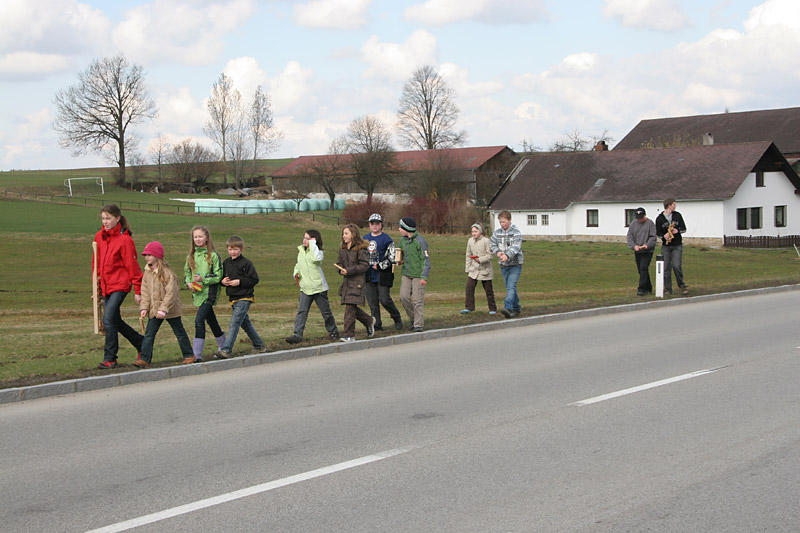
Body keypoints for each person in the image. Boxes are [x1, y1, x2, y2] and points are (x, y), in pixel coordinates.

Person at [93, 204, 144, 369]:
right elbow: (96, 265)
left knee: (108, 320)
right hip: (106, 285)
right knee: (114, 320)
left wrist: (138, 290)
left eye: (108, 218)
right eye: (103, 218)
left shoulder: (125, 239)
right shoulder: (99, 237)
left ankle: (110, 358)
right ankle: (141, 342)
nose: (105, 222)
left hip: (120, 285)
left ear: (117, 218)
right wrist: (97, 289)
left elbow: (132, 266)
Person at [136, 242, 194, 367]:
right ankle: (145, 359)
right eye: (145, 255)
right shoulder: (147, 273)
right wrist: (144, 308)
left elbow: (171, 293)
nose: (146, 257)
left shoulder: (167, 273)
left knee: (179, 332)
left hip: (170, 310)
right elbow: (145, 291)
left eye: (149, 255)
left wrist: (164, 309)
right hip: (154, 310)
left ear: (157, 256)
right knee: (149, 333)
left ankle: (189, 355)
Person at [285, 229, 340, 344]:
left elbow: (316, 259)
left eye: (308, 238)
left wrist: (313, 244)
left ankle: (333, 331)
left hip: (319, 288)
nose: (305, 240)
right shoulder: (301, 251)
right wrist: (296, 273)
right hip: (305, 288)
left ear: (314, 240)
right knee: (302, 311)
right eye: (304, 238)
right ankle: (297, 335)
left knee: (325, 312)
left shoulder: (318, 251)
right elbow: (298, 264)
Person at [215, 236, 265, 358]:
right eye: (230, 249)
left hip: (245, 298)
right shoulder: (226, 263)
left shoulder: (246, 263)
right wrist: (223, 282)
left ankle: (226, 350)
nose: (233, 252)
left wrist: (240, 281)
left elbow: (254, 279)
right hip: (233, 298)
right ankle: (259, 346)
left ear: (242, 249)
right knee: (245, 323)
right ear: (227, 249)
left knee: (234, 323)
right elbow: (220, 277)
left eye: (236, 249)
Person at [184, 226, 225, 362]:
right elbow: (187, 273)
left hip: (209, 293)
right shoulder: (191, 256)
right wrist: (189, 283)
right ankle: (223, 346)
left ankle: (197, 354)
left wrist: (204, 280)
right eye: (195, 237)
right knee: (211, 320)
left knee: (198, 320)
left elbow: (218, 276)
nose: (198, 239)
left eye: (200, 236)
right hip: (197, 294)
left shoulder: (213, 256)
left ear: (207, 238)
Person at [362, 213, 403, 331]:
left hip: (382, 275)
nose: (375, 226)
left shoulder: (387, 239)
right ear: (369, 225)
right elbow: (361, 254)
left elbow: (392, 256)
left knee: (384, 299)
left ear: (381, 225)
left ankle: (396, 317)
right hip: (369, 275)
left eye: (377, 224)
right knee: (372, 302)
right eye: (372, 224)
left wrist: (380, 266)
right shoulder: (365, 239)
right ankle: (377, 324)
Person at [335, 224, 375, 342]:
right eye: (343, 234)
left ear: (353, 234)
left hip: (357, 283)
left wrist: (350, 270)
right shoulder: (342, 249)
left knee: (349, 309)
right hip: (346, 283)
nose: (344, 236)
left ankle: (349, 335)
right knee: (351, 307)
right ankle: (369, 321)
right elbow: (339, 263)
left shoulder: (360, 249)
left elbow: (364, 265)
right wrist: (340, 270)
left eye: (346, 233)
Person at [397, 217, 430, 332]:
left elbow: (426, 260)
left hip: (418, 275)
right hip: (406, 274)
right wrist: (399, 261)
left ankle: (418, 325)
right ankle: (413, 318)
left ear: (407, 229)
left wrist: (424, 276)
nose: (399, 229)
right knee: (404, 297)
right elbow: (400, 254)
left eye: (401, 227)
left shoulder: (420, 242)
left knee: (417, 300)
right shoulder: (402, 241)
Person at [489, 210, 524, 318]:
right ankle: (517, 308)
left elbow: (516, 247)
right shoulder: (497, 232)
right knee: (510, 287)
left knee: (511, 286)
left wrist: (507, 255)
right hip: (503, 265)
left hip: (515, 264)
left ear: (509, 220)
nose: (502, 224)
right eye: (500, 222)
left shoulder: (516, 232)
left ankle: (508, 307)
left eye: (504, 222)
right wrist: (498, 252)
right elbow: (492, 243)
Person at [461, 222, 497, 315]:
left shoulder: (486, 241)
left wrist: (480, 260)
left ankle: (492, 308)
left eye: (476, 231)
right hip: (474, 270)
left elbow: (490, 255)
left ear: (480, 231)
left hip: (485, 270)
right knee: (469, 287)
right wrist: (468, 268)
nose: (474, 233)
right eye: (472, 231)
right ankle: (469, 307)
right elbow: (468, 255)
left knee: (488, 289)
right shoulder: (470, 241)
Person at [655, 198, 689, 296]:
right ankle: (667, 288)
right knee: (666, 268)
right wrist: (663, 236)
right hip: (666, 246)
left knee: (676, 265)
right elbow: (658, 233)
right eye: (674, 204)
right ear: (669, 205)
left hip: (677, 245)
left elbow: (684, 229)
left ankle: (682, 285)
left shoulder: (677, 216)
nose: (675, 206)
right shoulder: (660, 218)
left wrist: (677, 231)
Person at [626, 207, 657, 296]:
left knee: (643, 267)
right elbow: (630, 236)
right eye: (638, 217)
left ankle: (642, 289)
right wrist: (633, 246)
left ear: (644, 215)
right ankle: (649, 287)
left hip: (647, 251)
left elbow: (653, 237)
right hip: (638, 250)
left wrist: (647, 245)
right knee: (641, 270)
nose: (639, 219)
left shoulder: (650, 223)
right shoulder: (633, 224)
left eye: (641, 217)